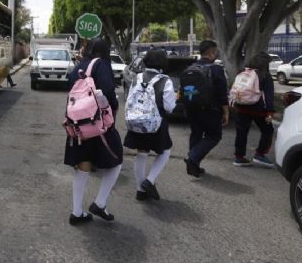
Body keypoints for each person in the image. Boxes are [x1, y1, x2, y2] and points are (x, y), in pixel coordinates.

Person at [64, 38, 123, 224]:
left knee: (83, 164)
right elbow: (107, 91)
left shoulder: (79, 67)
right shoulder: (102, 65)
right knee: (116, 160)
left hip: (77, 125)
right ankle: (100, 202)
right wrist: (113, 105)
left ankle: (77, 212)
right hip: (98, 125)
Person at [123, 50, 176, 201]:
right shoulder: (165, 81)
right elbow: (169, 107)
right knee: (165, 151)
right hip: (156, 122)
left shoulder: (137, 77)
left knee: (142, 152)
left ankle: (140, 190)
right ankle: (150, 180)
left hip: (137, 120)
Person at [183, 40, 229, 177]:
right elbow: (222, 93)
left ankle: (194, 165)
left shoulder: (190, 68)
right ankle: (193, 158)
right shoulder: (216, 69)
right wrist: (226, 112)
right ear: (211, 52)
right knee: (214, 135)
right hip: (210, 109)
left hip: (191, 108)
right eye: (215, 52)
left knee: (196, 133)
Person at [233, 52, 276, 168]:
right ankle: (260, 154)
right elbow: (269, 95)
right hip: (258, 109)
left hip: (241, 107)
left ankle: (239, 157)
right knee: (268, 130)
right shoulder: (264, 75)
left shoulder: (243, 72)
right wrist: (270, 112)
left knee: (241, 132)